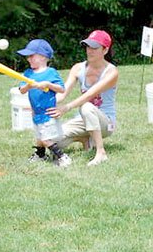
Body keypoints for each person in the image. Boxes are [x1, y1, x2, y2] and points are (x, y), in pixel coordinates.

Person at [47, 30, 118, 166]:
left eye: (94, 47)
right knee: (53, 140)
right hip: (83, 119)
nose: (89, 51)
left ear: (105, 50)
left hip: (107, 123)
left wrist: (66, 108)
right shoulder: (78, 68)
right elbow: (62, 94)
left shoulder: (111, 72)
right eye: (87, 46)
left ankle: (101, 152)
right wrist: (40, 103)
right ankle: (85, 138)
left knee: (86, 107)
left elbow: (89, 95)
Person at [17, 39, 71, 167]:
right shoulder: (28, 73)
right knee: (39, 137)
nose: (28, 59)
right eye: (27, 56)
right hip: (36, 112)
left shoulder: (51, 73)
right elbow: (22, 90)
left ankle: (61, 156)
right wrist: (29, 85)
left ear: (43, 57)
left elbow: (61, 89)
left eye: (31, 56)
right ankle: (40, 155)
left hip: (48, 112)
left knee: (46, 139)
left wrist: (47, 84)